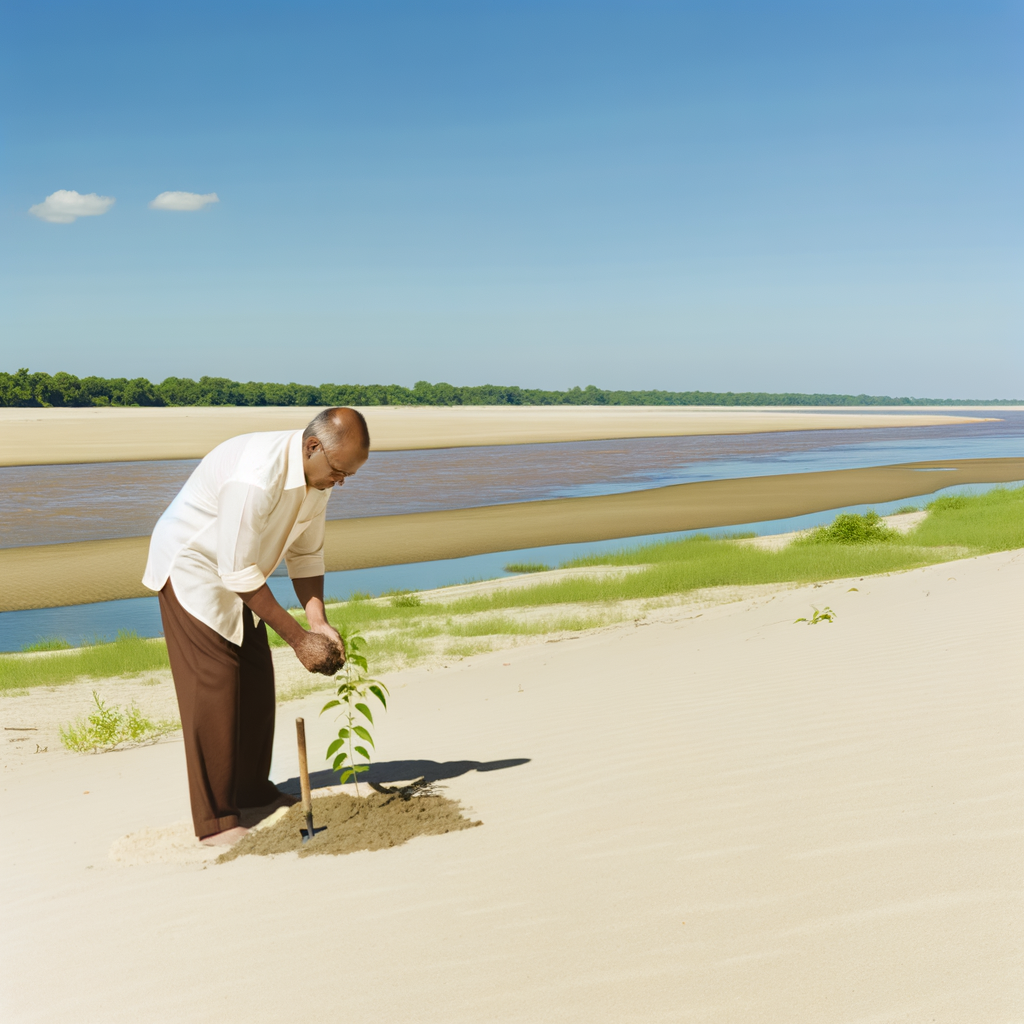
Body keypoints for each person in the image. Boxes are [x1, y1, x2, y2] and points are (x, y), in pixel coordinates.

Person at [142, 407, 370, 846]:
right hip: (194, 566)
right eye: (339, 471)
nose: (341, 481)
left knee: (256, 683)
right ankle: (216, 822)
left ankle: (251, 792)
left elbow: (305, 556)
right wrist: (299, 640)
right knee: (215, 684)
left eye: (349, 475)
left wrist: (317, 621)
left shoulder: (319, 477)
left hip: (242, 572)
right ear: (312, 447)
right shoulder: (256, 476)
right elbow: (236, 571)